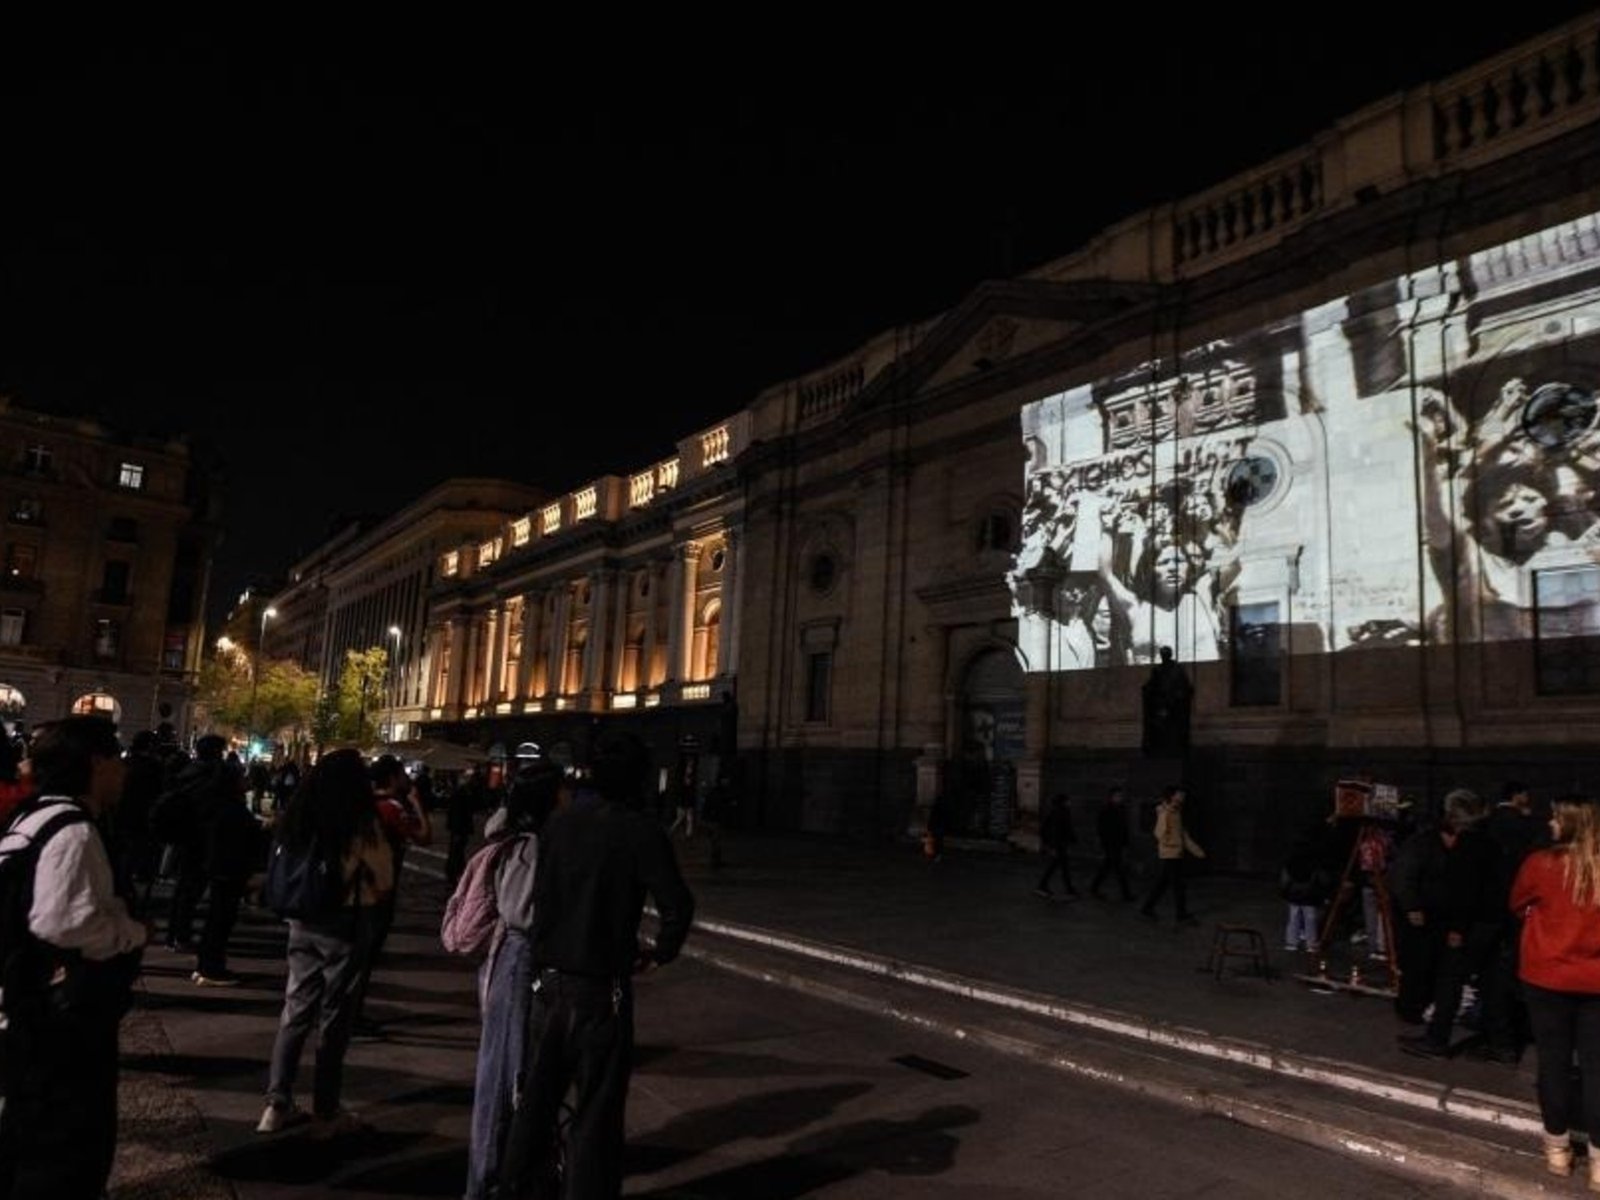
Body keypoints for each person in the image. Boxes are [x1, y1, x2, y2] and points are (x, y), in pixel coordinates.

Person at [503, 736, 695, 1197]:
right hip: (600, 991)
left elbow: (542, 896)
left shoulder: (559, 825)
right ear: (640, 780)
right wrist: (658, 951)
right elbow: (677, 904)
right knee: (596, 1110)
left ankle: (515, 1186)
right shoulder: (640, 830)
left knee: (536, 1101)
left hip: (545, 982)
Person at [0, 716, 146, 1198]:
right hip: (58, 1019)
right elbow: (62, 921)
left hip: (26, 1006)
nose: (123, 773)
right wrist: (128, 931)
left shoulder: (32, 815)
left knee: (30, 1137)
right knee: (65, 1150)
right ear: (96, 764)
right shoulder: (74, 830)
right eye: (117, 760)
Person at [258, 749, 394, 1136]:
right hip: (345, 924)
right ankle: (326, 1108)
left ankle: (276, 1103)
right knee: (335, 1018)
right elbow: (383, 879)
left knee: (295, 1009)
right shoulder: (359, 821)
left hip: (301, 921)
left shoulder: (299, 815)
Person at [464, 760, 563, 1200]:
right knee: (507, 1071)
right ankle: (488, 1181)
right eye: (562, 790)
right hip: (519, 958)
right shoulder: (530, 846)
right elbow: (524, 913)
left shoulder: (514, 836)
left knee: (513, 1070)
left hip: (512, 958)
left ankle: (506, 1174)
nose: (569, 796)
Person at [1509, 793, 1600, 1182]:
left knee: (1554, 1063)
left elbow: (1516, 903)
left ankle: (1558, 1151)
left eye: (1555, 818)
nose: (1549, 824)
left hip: (1547, 977)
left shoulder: (1542, 864)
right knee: (1598, 1070)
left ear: (1571, 823)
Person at [1397, 788, 1496, 1058]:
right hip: (1480, 921)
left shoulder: (1468, 845)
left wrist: (1457, 929)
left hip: (1465, 922)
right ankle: (1501, 1041)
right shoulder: (1488, 841)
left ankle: (1437, 1038)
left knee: (1449, 981)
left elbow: (1467, 891)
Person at [350, 754, 431, 1036]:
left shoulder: (362, 803)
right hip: (382, 888)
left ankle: (345, 1010)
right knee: (367, 954)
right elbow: (423, 836)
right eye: (403, 774)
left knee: (354, 954)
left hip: (357, 885)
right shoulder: (394, 808)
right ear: (394, 778)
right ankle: (353, 1014)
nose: (407, 778)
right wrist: (419, 805)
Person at [151, 733, 230, 952]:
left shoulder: (188, 772)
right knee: (193, 889)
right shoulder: (214, 774)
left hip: (185, 835)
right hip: (204, 836)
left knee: (184, 889)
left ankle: (174, 935)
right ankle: (181, 936)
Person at [194, 761, 264, 986]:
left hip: (218, 867)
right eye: (242, 777)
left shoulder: (216, 803)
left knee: (216, 919)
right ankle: (211, 968)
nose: (247, 780)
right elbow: (241, 836)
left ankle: (206, 964)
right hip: (228, 868)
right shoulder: (230, 807)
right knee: (221, 920)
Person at [1139, 786, 1204, 925]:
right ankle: (1181, 915)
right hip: (1170, 854)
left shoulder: (1176, 811)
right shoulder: (1166, 813)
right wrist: (1172, 843)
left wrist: (1197, 851)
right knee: (1179, 885)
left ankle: (1147, 908)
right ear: (1172, 796)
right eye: (1180, 794)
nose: (1182, 797)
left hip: (1175, 853)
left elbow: (1183, 835)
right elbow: (1159, 834)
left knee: (1163, 883)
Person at [1090, 786, 1134, 900]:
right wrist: (1104, 842)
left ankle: (1094, 887)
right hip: (1110, 843)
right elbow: (1102, 828)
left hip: (1118, 842)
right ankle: (1126, 894)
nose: (1120, 798)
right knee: (1118, 868)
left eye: (1120, 796)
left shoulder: (1121, 809)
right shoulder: (1106, 810)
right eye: (1117, 796)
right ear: (1111, 797)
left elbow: (1124, 827)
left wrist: (1125, 841)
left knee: (1107, 866)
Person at [1033, 793, 1078, 899]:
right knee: (1059, 867)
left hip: (1060, 843)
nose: (1070, 802)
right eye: (1068, 800)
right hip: (1059, 844)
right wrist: (1052, 847)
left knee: (1059, 866)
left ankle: (1066, 888)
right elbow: (1055, 830)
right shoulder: (1059, 812)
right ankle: (1044, 886)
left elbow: (1067, 828)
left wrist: (1073, 838)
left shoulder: (1062, 811)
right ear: (1064, 802)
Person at [445, 764, 483, 885]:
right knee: (456, 852)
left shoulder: (462, 791)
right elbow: (457, 812)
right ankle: (454, 873)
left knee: (457, 851)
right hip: (459, 828)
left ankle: (456, 873)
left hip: (460, 827)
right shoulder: (461, 793)